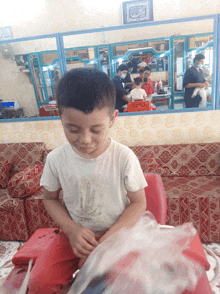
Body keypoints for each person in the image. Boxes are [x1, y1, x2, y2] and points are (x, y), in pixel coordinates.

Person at [30, 68, 147, 293]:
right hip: (75, 233)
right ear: (60, 118)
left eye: (96, 129)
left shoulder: (123, 157)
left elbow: (138, 203)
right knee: (40, 283)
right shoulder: (56, 159)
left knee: (118, 285)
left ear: (112, 118)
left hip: (115, 234)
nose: (85, 140)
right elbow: (50, 199)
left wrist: (106, 242)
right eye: (73, 129)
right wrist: (71, 229)